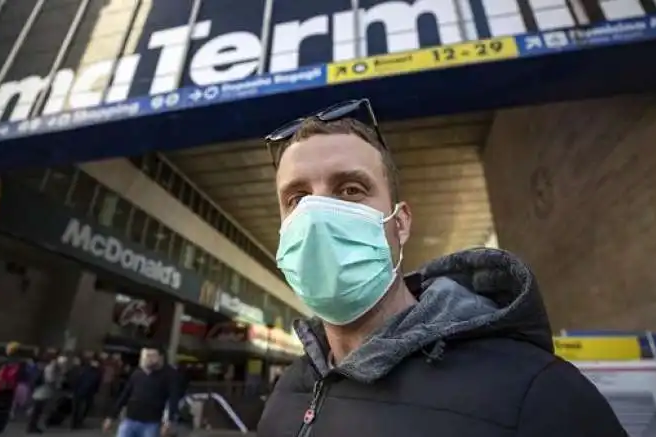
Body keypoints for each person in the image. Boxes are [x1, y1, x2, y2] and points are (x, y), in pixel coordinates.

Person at [256, 99, 629, 437]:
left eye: (350, 190)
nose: (318, 217)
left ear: (400, 223)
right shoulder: (290, 389)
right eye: (297, 198)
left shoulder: (535, 394)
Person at [103, 347, 181, 437]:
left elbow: (173, 399)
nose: (149, 359)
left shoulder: (170, 375)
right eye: (147, 356)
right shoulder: (138, 373)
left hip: (151, 422)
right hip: (130, 419)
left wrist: (169, 422)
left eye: (152, 356)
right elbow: (124, 395)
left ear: (160, 357)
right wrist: (111, 416)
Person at [27, 354, 67, 434]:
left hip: (42, 391)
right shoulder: (51, 368)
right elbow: (50, 380)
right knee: (37, 410)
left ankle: (32, 426)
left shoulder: (50, 367)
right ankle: (31, 427)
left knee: (37, 410)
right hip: (42, 391)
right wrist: (56, 382)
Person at [70, 358, 102, 429]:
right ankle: (80, 420)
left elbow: (77, 380)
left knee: (76, 407)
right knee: (87, 407)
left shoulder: (83, 371)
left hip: (79, 391)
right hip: (89, 393)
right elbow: (97, 385)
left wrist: (74, 389)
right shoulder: (97, 374)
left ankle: (73, 423)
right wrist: (95, 392)